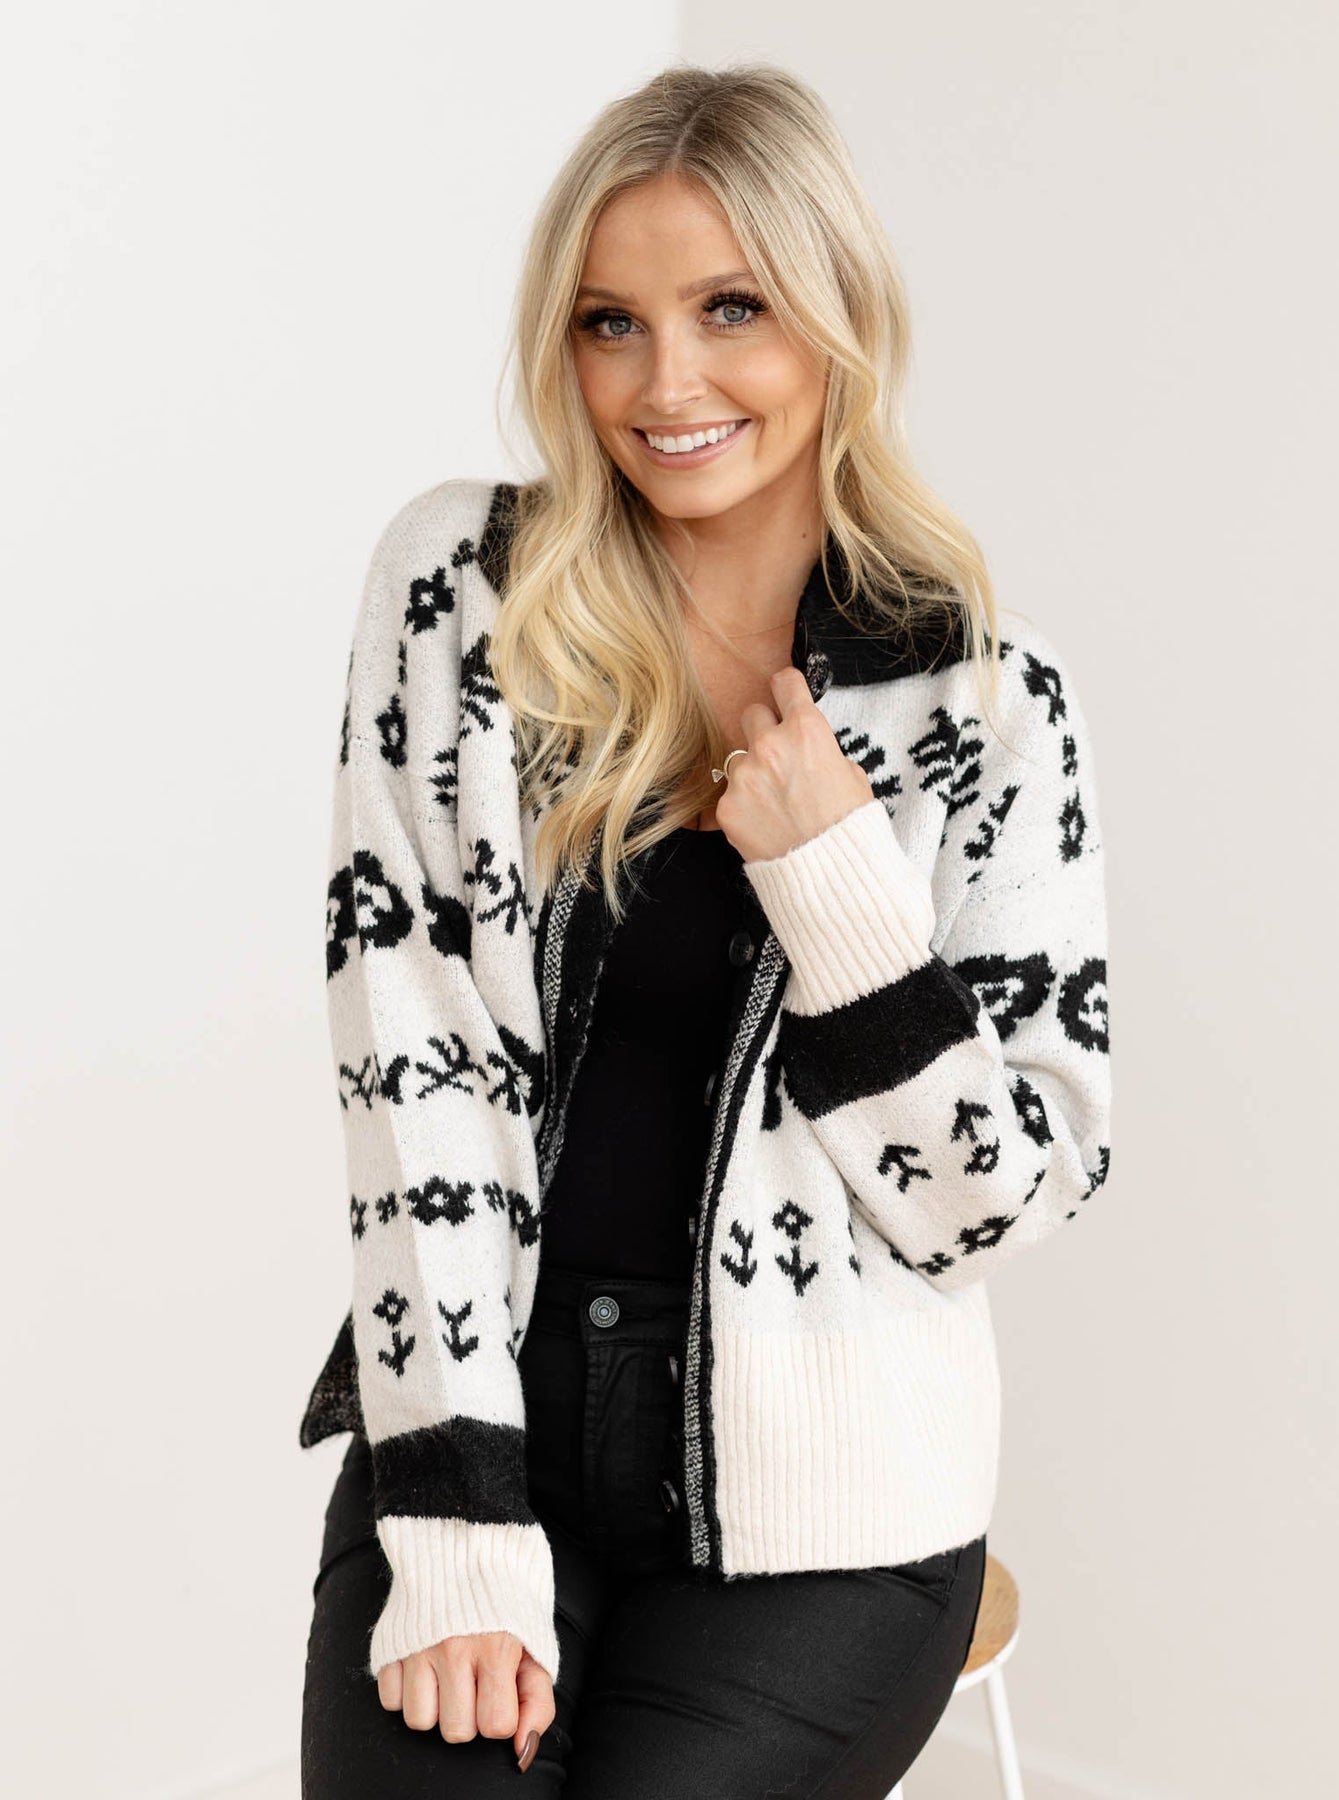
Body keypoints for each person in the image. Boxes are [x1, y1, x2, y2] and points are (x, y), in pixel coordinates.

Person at [297, 61, 1112, 1800]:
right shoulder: (461, 600)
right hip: (488, 1423)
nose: (666, 384)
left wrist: (841, 896)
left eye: (730, 309)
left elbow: (1000, 1197)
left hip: (831, 1506)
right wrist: (454, 1517)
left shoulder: (988, 701)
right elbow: (409, 1059)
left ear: (836, 318)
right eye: (611, 323)